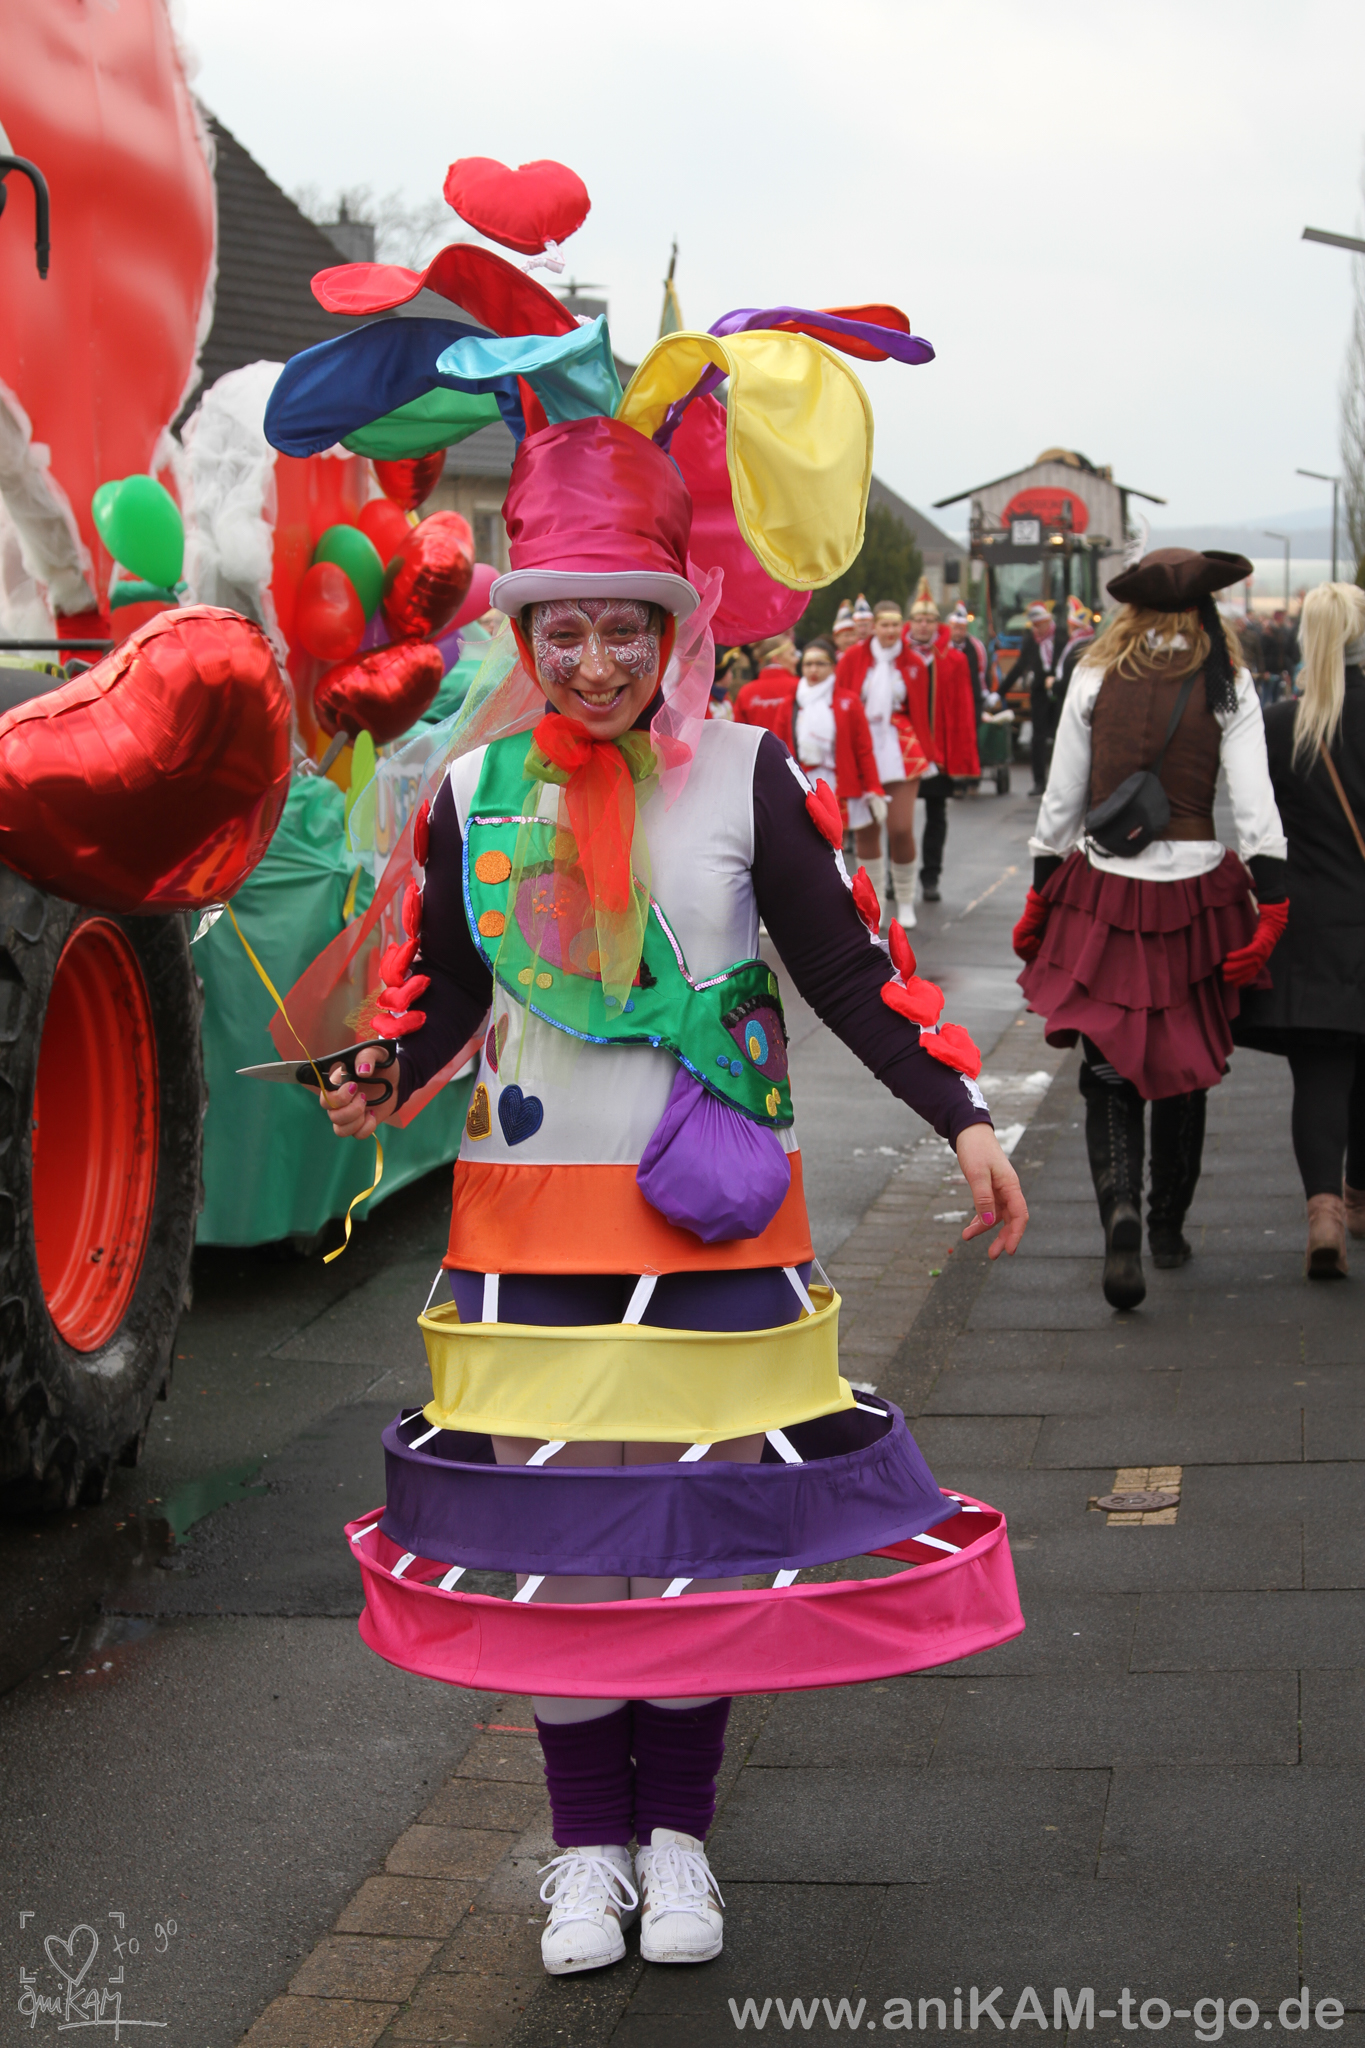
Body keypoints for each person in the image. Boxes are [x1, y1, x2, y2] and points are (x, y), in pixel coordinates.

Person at [276, 282, 1028, 1982]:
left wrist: (964, 1116)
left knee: (695, 1553)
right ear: (526, 634)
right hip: (529, 1240)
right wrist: (379, 1070)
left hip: (711, 1230)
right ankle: (583, 1855)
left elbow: (848, 968)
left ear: (674, 625)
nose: (596, 661)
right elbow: (444, 992)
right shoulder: (474, 793)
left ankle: (678, 1838)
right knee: (552, 1553)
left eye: (626, 626)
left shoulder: (747, 772)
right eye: (565, 631)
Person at [1012, 547, 1288, 1310]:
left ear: (1129, 611)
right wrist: (1272, 901)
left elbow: (1060, 800)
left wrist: (1040, 893)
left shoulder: (1094, 674)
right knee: (1186, 1060)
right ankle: (1165, 1227)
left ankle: (1119, 1210)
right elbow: (1255, 806)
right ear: (1204, 610)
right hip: (1196, 891)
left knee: (1104, 1063)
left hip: (1103, 888)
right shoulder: (1225, 682)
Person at [1233, 582, 1365, 1276]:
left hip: (1312, 926)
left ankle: (1324, 1214)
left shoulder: (1283, 725)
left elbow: (1257, 825)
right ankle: (1360, 1194)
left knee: (1321, 1073)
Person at [834, 599, 931, 925]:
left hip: (900, 746)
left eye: (895, 624)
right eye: (884, 624)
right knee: (866, 830)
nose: (890, 631)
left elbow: (923, 710)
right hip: (861, 744)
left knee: (900, 828)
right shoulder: (852, 659)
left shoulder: (914, 662)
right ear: (874, 626)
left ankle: (905, 900)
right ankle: (873, 907)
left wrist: (931, 750)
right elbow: (841, 701)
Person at [901, 581, 980, 904]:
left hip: (939, 751)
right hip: (904, 752)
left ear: (937, 624)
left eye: (929, 620)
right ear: (911, 622)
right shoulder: (897, 657)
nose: (923, 625)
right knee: (899, 821)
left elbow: (963, 708)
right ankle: (897, 876)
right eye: (919, 620)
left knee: (937, 814)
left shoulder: (954, 660)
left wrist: (962, 753)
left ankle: (930, 877)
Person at [792, 633, 884, 828]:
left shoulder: (849, 701)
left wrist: (874, 788)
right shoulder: (791, 702)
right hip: (801, 784)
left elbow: (864, 749)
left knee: (841, 840)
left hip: (839, 782)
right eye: (808, 664)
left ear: (833, 666)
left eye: (820, 663)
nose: (813, 669)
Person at [1009, 600, 1064, 793]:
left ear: (1048, 622)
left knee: (1061, 736)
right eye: (1034, 625)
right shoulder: (1031, 640)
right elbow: (1019, 666)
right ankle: (1039, 781)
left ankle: (1061, 781)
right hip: (1040, 692)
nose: (1036, 629)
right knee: (1038, 737)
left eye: (1039, 625)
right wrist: (1000, 691)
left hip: (1060, 691)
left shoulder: (1062, 636)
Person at [733, 633, 799, 748]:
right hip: (792, 757)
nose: (797, 660)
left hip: (756, 757)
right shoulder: (799, 687)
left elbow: (738, 735)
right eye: (792, 654)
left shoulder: (745, 692)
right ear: (776, 658)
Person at [1053, 595, 1096, 714]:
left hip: (1072, 704)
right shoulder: (1090, 643)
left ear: (1072, 626)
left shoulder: (1077, 648)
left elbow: (1069, 681)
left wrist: (1054, 685)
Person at [948, 601, 988, 717]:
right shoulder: (943, 647)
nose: (957, 632)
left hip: (971, 695)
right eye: (955, 628)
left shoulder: (977, 647)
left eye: (961, 629)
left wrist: (984, 692)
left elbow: (982, 671)